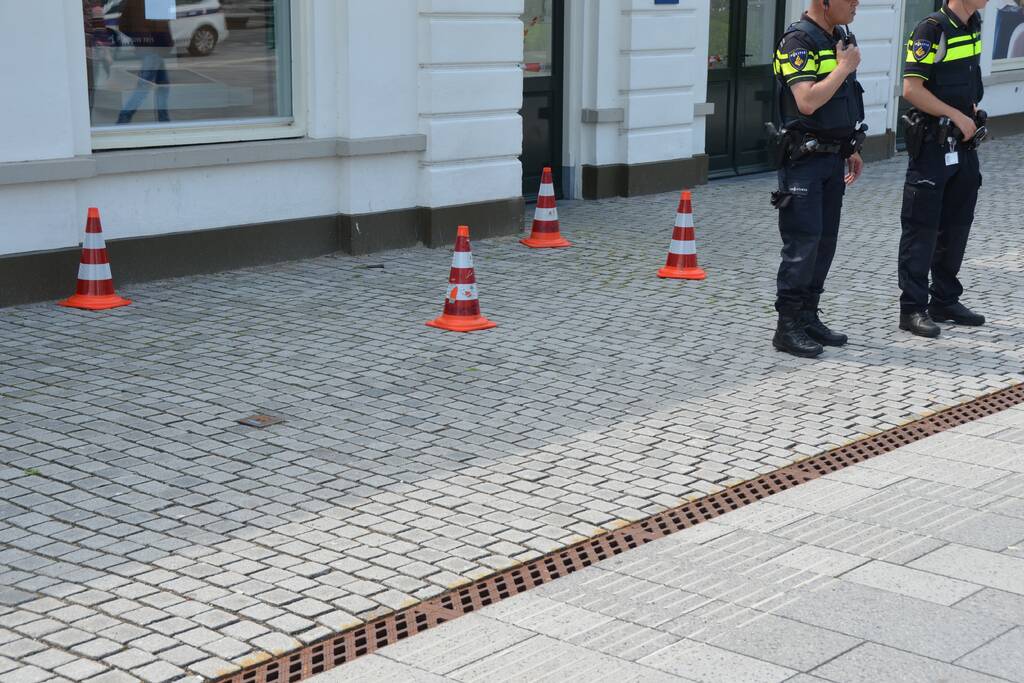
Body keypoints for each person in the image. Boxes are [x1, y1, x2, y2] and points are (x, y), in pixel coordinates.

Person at [769, 0, 866, 358]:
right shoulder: (797, 41)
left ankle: (808, 316)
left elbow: (840, 100)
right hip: (803, 162)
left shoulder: (837, 36)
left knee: (825, 242)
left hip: (831, 157)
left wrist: (849, 146)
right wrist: (843, 67)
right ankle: (787, 327)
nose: (857, 3)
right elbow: (807, 101)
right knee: (803, 244)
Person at [898, 0, 988, 337]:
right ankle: (912, 309)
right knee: (921, 229)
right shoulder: (931, 29)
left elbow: (965, 79)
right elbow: (911, 89)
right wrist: (956, 116)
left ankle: (945, 300)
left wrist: (972, 112)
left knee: (957, 225)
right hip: (933, 145)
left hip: (962, 143)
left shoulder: (973, 25)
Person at [116, 0, 173, 124]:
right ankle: (124, 117)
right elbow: (161, 26)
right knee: (145, 86)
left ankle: (164, 119)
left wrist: (139, 38)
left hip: (151, 47)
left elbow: (122, 24)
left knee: (163, 84)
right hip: (154, 47)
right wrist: (145, 38)